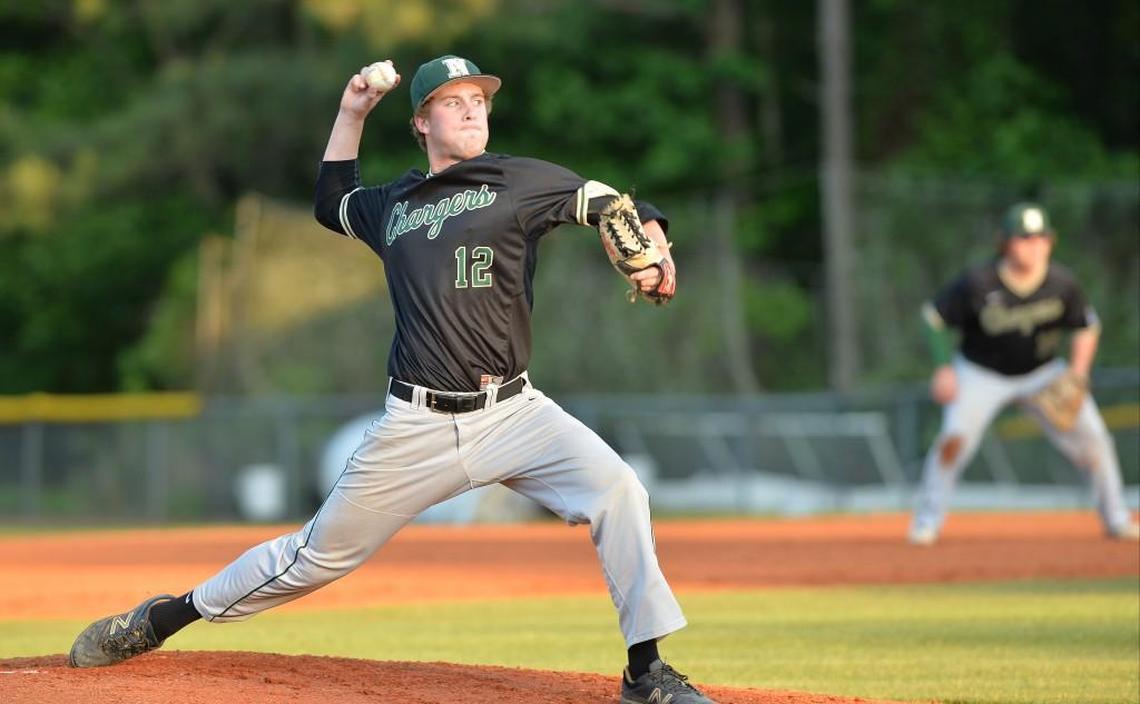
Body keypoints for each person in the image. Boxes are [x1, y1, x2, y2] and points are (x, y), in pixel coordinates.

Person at [68, 55, 716, 704]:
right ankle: (160, 619)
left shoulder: (517, 180)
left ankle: (645, 672)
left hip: (515, 413)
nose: (470, 109)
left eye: (478, 100)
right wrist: (352, 111)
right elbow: (330, 202)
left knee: (618, 490)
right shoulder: (394, 206)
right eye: (452, 100)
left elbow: (605, 199)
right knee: (311, 561)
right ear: (421, 122)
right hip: (418, 426)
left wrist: (648, 238)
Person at [908, 202, 1140, 546]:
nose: (1033, 245)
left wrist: (1077, 372)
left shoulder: (1062, 283)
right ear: (1006, 243)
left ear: (1050, 242)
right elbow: (933, 319)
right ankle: (927, 522)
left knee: (1095, 440)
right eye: (1024, 238)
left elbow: (1087, 327)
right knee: (953, 440)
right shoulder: (978, 282)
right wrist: (944, 368)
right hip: (981, 373)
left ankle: (1116, 518)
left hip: (1042, 372)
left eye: (1040, 238)